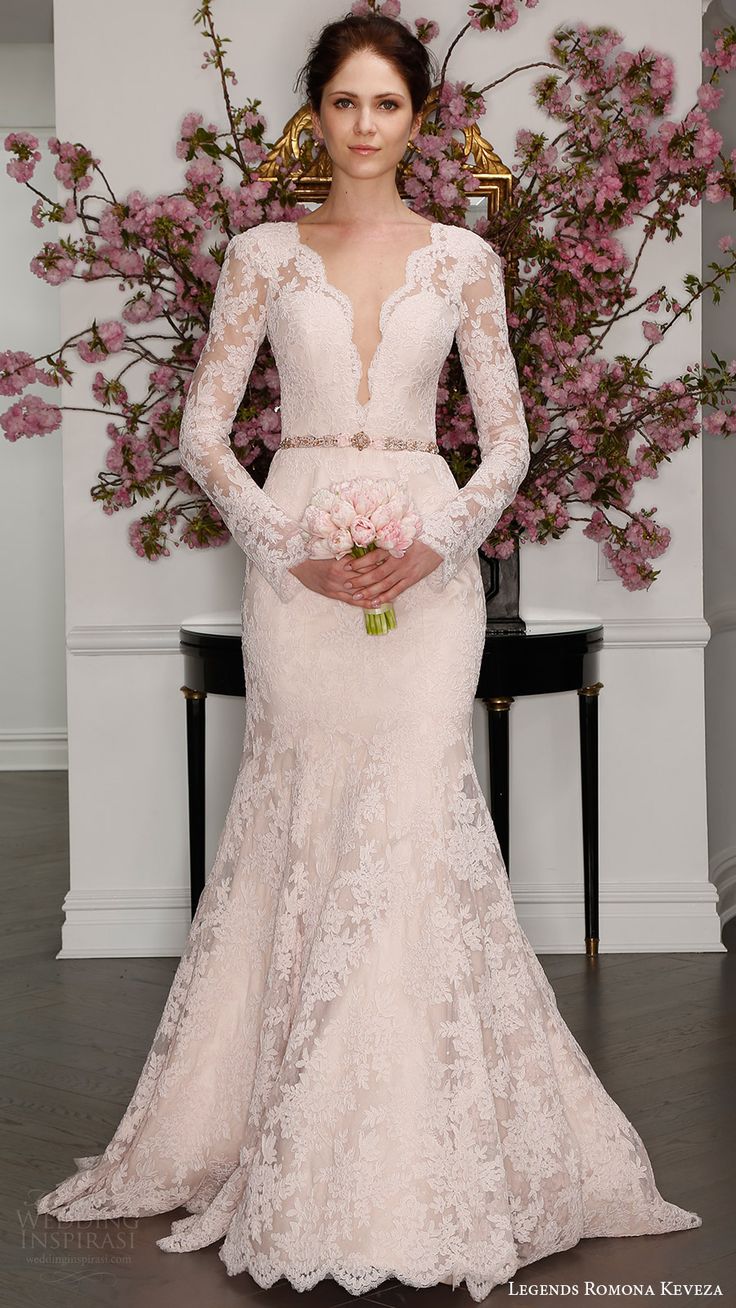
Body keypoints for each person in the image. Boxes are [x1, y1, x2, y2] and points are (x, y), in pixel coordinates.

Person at [36, 11, 701, 1300]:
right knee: (301, 822)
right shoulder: (258, 257)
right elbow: (203, 433)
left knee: (411, 820)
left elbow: (503, 440)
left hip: (425, 574)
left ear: (418, 118)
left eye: (385, 105)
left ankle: (409, 1146)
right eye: (342, 104)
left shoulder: (464, 261)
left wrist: (439, 543)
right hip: (297, 578)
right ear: (315, 115)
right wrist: (286, 545)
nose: (362, 127)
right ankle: (282, 1129)